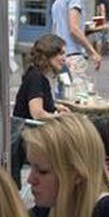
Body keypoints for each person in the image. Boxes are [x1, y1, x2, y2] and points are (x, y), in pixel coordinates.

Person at [11, 34, 70, 180]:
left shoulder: (34, 75)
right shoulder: (37, 78)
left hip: (24, 138)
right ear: (49, 53)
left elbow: (36, 103)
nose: (64, 59)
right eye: (61, 53)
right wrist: (59, 117)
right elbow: (37, 113)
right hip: (30, 142)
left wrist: (56, 107)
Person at [51, 0, 100, 92]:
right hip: (74, 56)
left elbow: (57, 29)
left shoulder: (59, 0)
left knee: (63, 98)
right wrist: (92, 51)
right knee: (78, 98)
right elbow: (74, 29)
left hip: (59, 56)